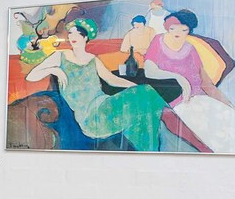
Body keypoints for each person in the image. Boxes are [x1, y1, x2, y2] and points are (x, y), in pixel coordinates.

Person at [25, 18, 210, 152]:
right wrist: (55, 70)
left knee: (145, 100)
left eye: (78, 34)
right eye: (71, 33)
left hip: (105, 104)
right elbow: (31, 76)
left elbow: (112, 80)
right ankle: (159, 143)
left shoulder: (93, 59)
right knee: (148, 98)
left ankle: (147, 152)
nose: (73, 36)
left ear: (86, 38)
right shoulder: (60, 56)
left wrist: (134, 88)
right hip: (90, 117)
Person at [143, 9, 235, 152]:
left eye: (183, 30)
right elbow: (149, 70)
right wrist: (179, 78)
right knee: (211, 132)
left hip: (199, 98)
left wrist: (228, 105)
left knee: (227, 118)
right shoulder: (158, 41)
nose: (177, 33)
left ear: (189, 31)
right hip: (178, 101)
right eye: (173, 28)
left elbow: (207, 84)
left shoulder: (191, 49)